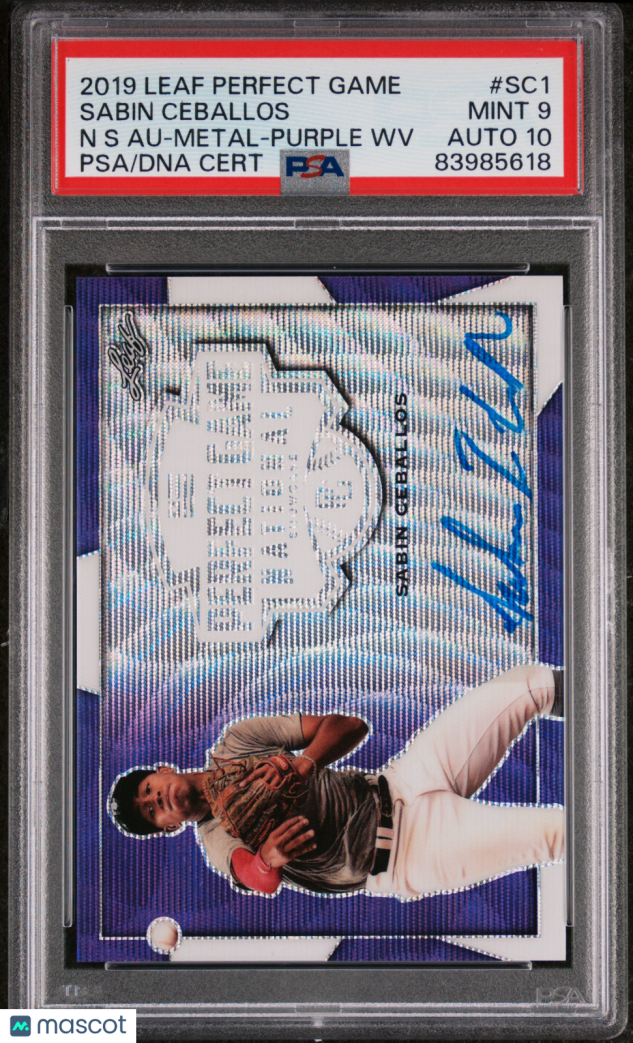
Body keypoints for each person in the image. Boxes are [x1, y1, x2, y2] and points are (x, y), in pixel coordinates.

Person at [108, 664, 564, 898]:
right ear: (169, 827)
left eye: (148, 789)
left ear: (162, 770)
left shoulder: (240, 740)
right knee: (558, 833)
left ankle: (599, 693)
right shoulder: (215, 840)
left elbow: (350, 726)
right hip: (408, 854)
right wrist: (267, 860)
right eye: (151, 812)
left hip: (401, 780)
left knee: (527, 685)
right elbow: (256, 878)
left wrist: (304, 763)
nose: (155, 800)